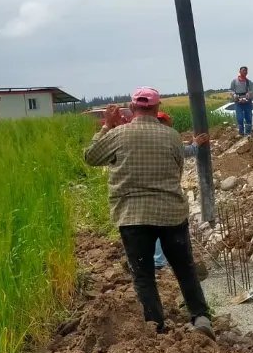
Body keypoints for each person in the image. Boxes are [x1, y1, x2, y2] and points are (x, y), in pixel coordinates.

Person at [83, 87, 214, 338]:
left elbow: (90, 157)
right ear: (157, 108)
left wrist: (106, 128)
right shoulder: (172, 136)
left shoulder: (118, 135)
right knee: (185, 268)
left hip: (133, 216)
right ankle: (200, 317)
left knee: (143, 275)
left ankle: (156, 326)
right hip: (171, 213)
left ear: (132, 108)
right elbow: (177, 169)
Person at [152, 111, 208, 270]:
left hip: (147, 191)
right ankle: (161, 261)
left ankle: (157, 260)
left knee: (152, 227)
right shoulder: (165, 138)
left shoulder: (147, 138)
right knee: (166, 227)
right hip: (165, 190)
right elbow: (186, 152)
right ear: (163, 123)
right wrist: (196, 144)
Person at [230, 65, 253, 136]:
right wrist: (234, 95)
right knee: (240, 118)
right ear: (240, 71)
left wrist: (249, 94)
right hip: (238, 101)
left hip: (247, 101)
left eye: (246, 71)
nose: (245, 72)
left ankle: (248, 133)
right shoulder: (234, 81)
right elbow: (231, 90)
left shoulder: (248, 82)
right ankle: (241, 133)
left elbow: (252, 90)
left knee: (248, 117)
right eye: (243, 70)